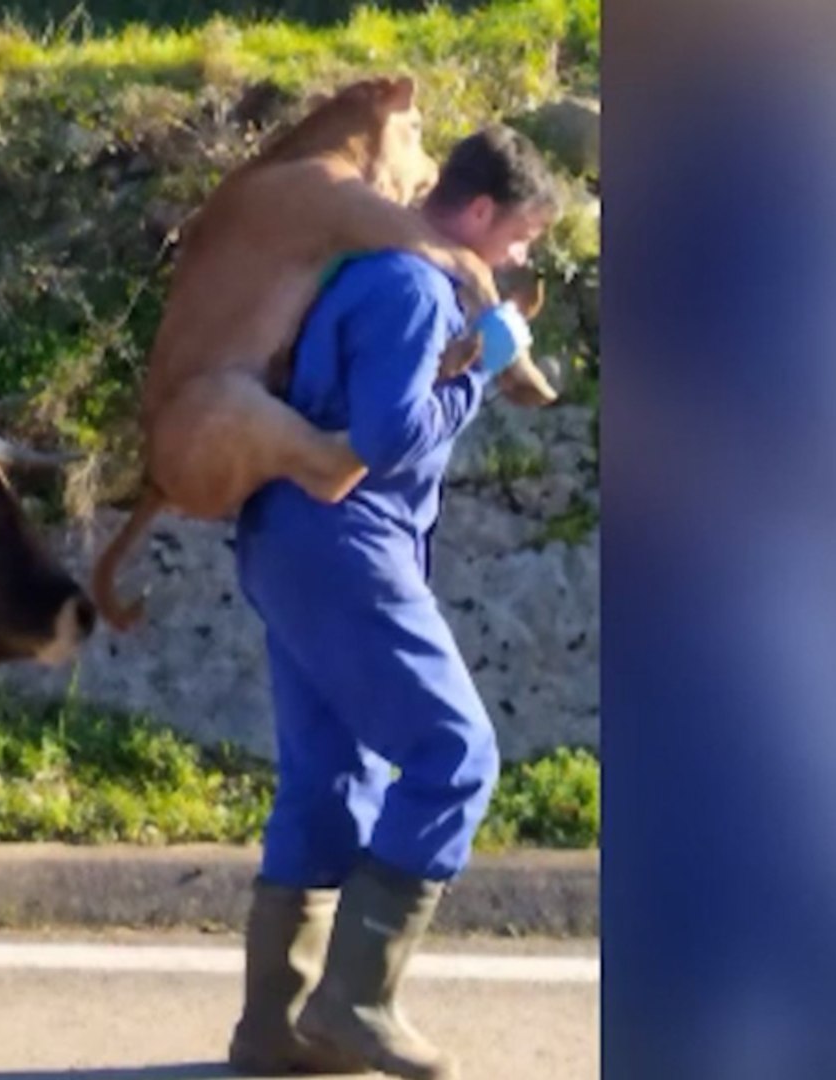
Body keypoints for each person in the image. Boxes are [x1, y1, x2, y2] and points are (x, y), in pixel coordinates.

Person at [225, 125, 562, 1080]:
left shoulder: (357, 266)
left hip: (284, 539)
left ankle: (274, 1034)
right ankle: (353, 1002)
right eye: (523, 238)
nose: (519, 258)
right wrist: (479, 377)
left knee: (330, 779)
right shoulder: (415, 285)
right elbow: (387, 433)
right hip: (345, 544)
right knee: (455, 756)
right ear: (483, 212)